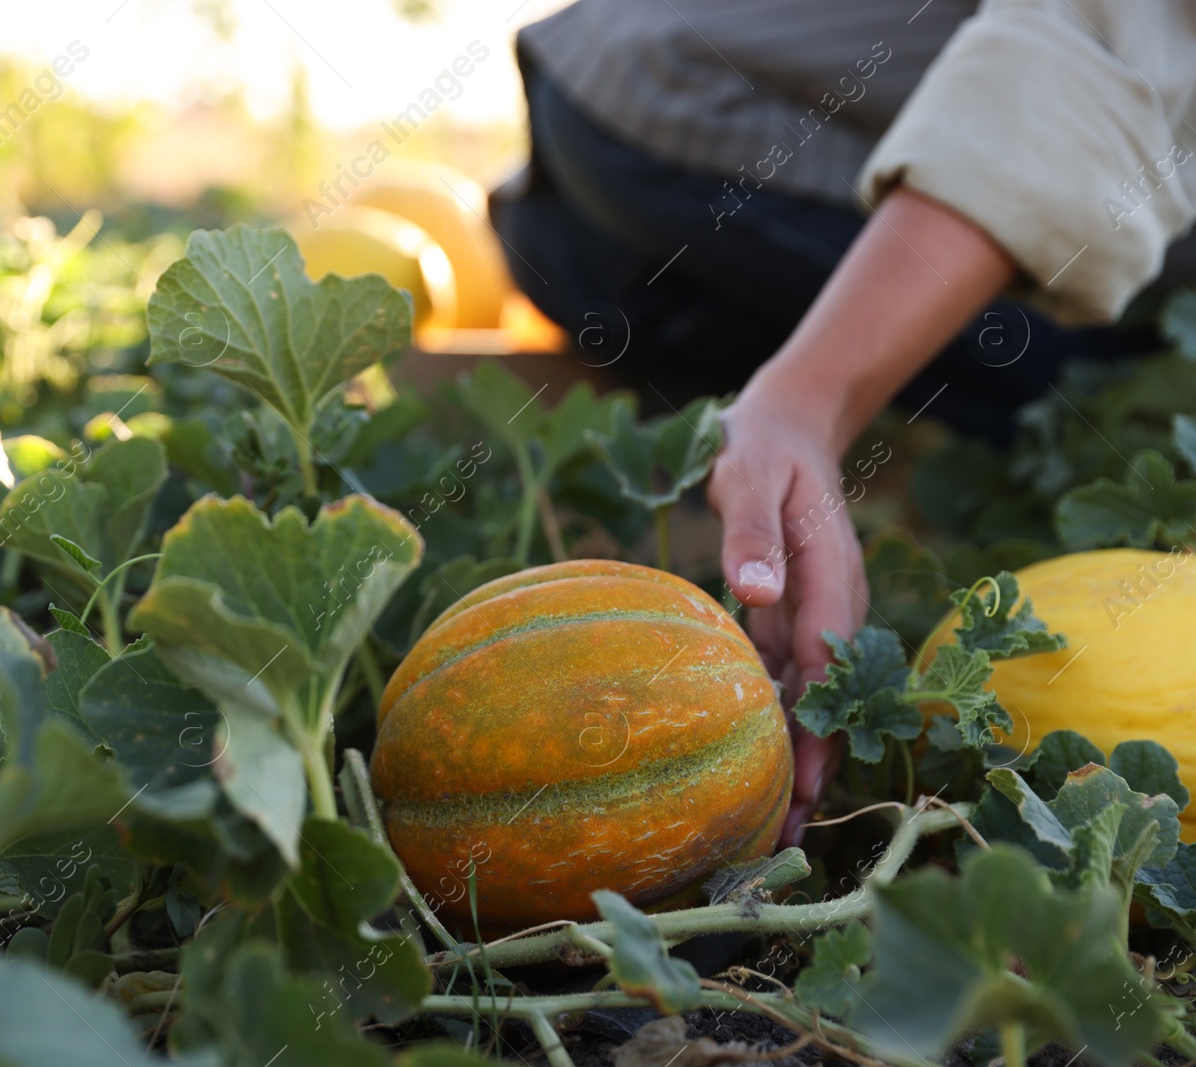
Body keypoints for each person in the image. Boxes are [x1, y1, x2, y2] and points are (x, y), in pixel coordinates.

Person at [490, 0, 1196, 841]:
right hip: (635, 102)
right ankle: (1043, 354)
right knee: (581, 235)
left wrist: (806, 399)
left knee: (585, 243)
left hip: (615, 95)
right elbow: (1104, 48)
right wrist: (807, 401)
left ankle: (1039, 350)